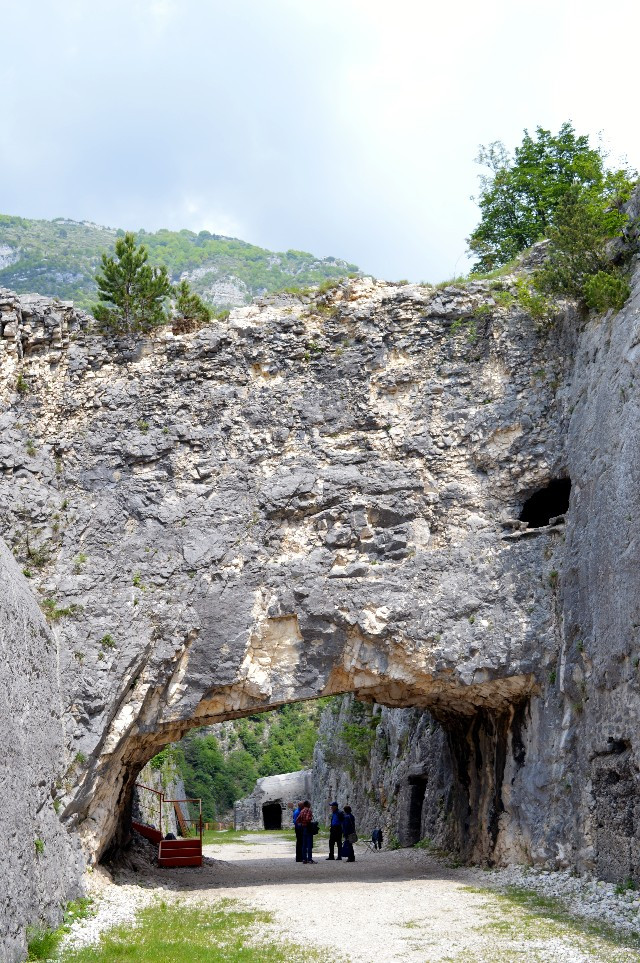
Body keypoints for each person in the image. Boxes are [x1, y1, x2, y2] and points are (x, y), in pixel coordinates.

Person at [296, 800, 315, 864]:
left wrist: (302, 824)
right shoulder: (308, 810)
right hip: (308, 827)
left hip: (303, 828)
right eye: (309, 804)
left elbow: (297, 820)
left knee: (304, 844)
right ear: (308, 804)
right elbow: (307, 819)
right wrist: (310, 821)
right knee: (309, 844)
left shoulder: (302, 811)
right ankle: (309, 859)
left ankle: (304, 859)